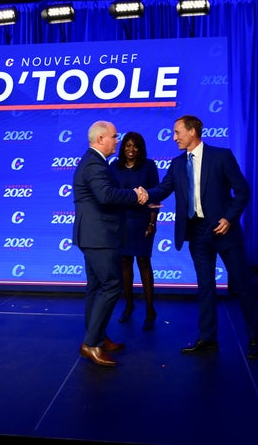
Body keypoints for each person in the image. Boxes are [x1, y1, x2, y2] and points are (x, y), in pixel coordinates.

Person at [146, 115, 258, 359]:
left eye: (178, 132)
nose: (174, 137)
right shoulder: (177, 164)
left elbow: (242, 191)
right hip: (196, 233)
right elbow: (161, 190)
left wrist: (229, 218)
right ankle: (208, 338)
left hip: (223, 230)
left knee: (241, 285)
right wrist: (139, 194)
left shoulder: (221, 156)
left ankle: (254, 336)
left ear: (192, 131)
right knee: (205, 287)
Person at [73, 120, 148, 367]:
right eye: (115, 136)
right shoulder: (94, 164)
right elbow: (105, 196)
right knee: (112, 285)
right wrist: (135, 196)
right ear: (101, 139)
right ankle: (91, 343)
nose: (118, 140)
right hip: (99, 237)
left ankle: (97, 337)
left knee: (96, 288)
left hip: (95, 236)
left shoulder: (94, 162)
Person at [110, 131, 160, 330]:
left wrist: (152, 223)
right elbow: (110, 195)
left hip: (142, 222)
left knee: (143, 263)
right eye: (127, 145)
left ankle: (150, 310)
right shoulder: (114, 167)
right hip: (121, 222)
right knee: (124, 264)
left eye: (135, 146)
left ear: (141, 148)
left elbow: (155, 197)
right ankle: (129, 305)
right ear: (123, 147)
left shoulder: (149, 166)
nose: (131, 149)